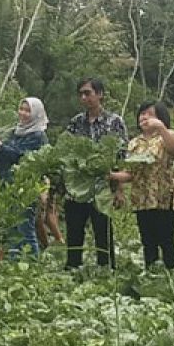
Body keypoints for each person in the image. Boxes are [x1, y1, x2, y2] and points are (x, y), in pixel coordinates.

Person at [64, 77, 128, 269]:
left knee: (103, 231)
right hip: (78, 187)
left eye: (88, 93)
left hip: (103, 185)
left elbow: (122, 157)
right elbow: (66, 153)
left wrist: (119, 189)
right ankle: (73, 268)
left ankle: (106, 269)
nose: (84, 97)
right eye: (81, 94)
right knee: (74, 231)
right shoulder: (76, 122)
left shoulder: (115, 121)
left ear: (100, 94)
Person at [110, 102, 174, 269]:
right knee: (148, 240)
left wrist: (161, 128)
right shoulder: (134, 143)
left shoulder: (169, 135)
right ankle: (151, 272)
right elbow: (130, 174)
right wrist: (112, 176)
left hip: (165, 197)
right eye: (142, 113)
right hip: (142, 198)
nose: (144, 117)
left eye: (150, 114)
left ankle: (171, 271)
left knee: (166, 238)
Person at [0, 97, 49, 256]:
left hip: (26, 188)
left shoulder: (38, 136)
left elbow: (22, 157)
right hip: (7, 185)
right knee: (11, 228)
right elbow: (4, 158)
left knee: (25, 228)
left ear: (36, 114)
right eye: (21, 109)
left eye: (28, 110)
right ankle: (14, 263)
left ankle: (32, 264)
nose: (23, 113)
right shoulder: (15, 132)